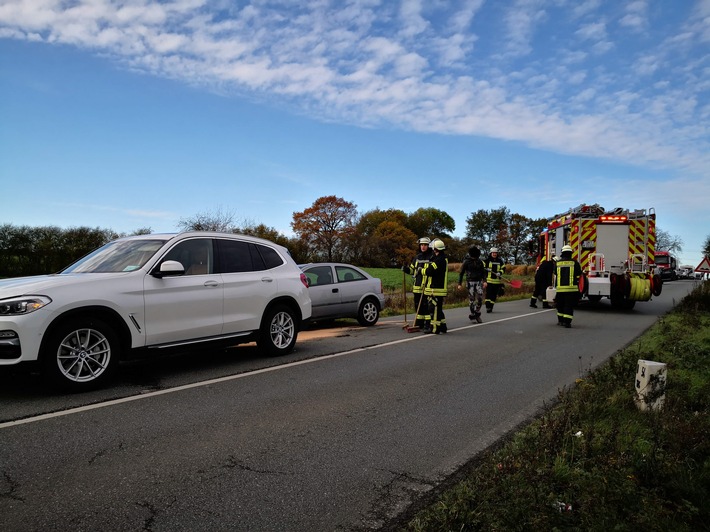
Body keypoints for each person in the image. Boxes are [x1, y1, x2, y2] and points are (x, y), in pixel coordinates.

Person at [402, 237, 433, 329]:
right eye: (421, 245)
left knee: (426, 305)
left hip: (427, 286)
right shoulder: (417, 257)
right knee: (417, 306)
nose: (423, 247)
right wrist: (406, 269)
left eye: (425, 245)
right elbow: (412, 271)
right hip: (417, 286)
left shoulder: (431, 257)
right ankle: (419, 323)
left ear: (428, 246)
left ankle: (428, 323)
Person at [422, 238, 448, 334]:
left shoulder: (439, 260)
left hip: (436, 288)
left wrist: (421, 270)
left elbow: (430, 271)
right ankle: (443, 326)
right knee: (438, 308)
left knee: (435, 309)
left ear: (436, 249)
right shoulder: (441, 259)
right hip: (438, 288)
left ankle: (435, 328)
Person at [554, 244, 582, 328]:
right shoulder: (575, 263)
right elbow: (579, 274)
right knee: (568, 306)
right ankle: (567, 322)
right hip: (571, 290)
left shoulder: (558, 263)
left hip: (560, 290)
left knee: (560, 305)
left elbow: (555, 273)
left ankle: (561, 321)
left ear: (562, 253)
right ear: (570, 253)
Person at [458, 245, 486, 323]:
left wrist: (485, 281)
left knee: (480, 298)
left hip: (479, 282)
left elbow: (483, 272)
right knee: (472, 300)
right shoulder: (466, 262)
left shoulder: (480, 262)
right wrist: (459, 284)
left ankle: (476, 312)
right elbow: (461, 273)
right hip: (470, 282)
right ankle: (473, 313)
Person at [484, 247, 505, 313]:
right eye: (493, 253)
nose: (494, 254)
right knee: (488, 294)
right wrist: (486, 269)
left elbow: (503, 268)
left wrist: (500, 272)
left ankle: (491, 307)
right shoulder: (487, 260)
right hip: (489, 281)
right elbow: (482, 267)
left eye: (495, 253)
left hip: (497, 282)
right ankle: (488, 307)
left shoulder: (500, 261)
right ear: (490, 253)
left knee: (494, 295)